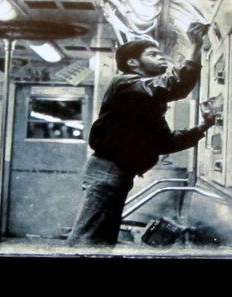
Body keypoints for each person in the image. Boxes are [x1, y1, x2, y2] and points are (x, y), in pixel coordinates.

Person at [66, 22, 215, 247]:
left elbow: (165, 143)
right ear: (132, 63)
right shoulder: (126, 83)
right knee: (88, 238)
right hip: (108, 170)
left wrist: (202, 128)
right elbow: (177, 86)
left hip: (117, 171)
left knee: (100, 238)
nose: (162, 58)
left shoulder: (148, 104)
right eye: (153, 54)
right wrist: (195, 47)